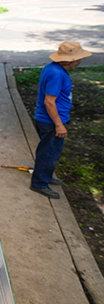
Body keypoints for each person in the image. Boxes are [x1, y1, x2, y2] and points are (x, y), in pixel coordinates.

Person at [30, 41, 91, 199]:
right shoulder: (56, 74)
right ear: (68, 60)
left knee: (51, 151)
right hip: (50, 121)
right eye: (78, 59)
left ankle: (47, 176)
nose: (80, 61)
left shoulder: (52, 68)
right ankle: (39, 183)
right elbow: (49, 102)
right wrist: (59, 125)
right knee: (48, 153)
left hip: (51, 120)